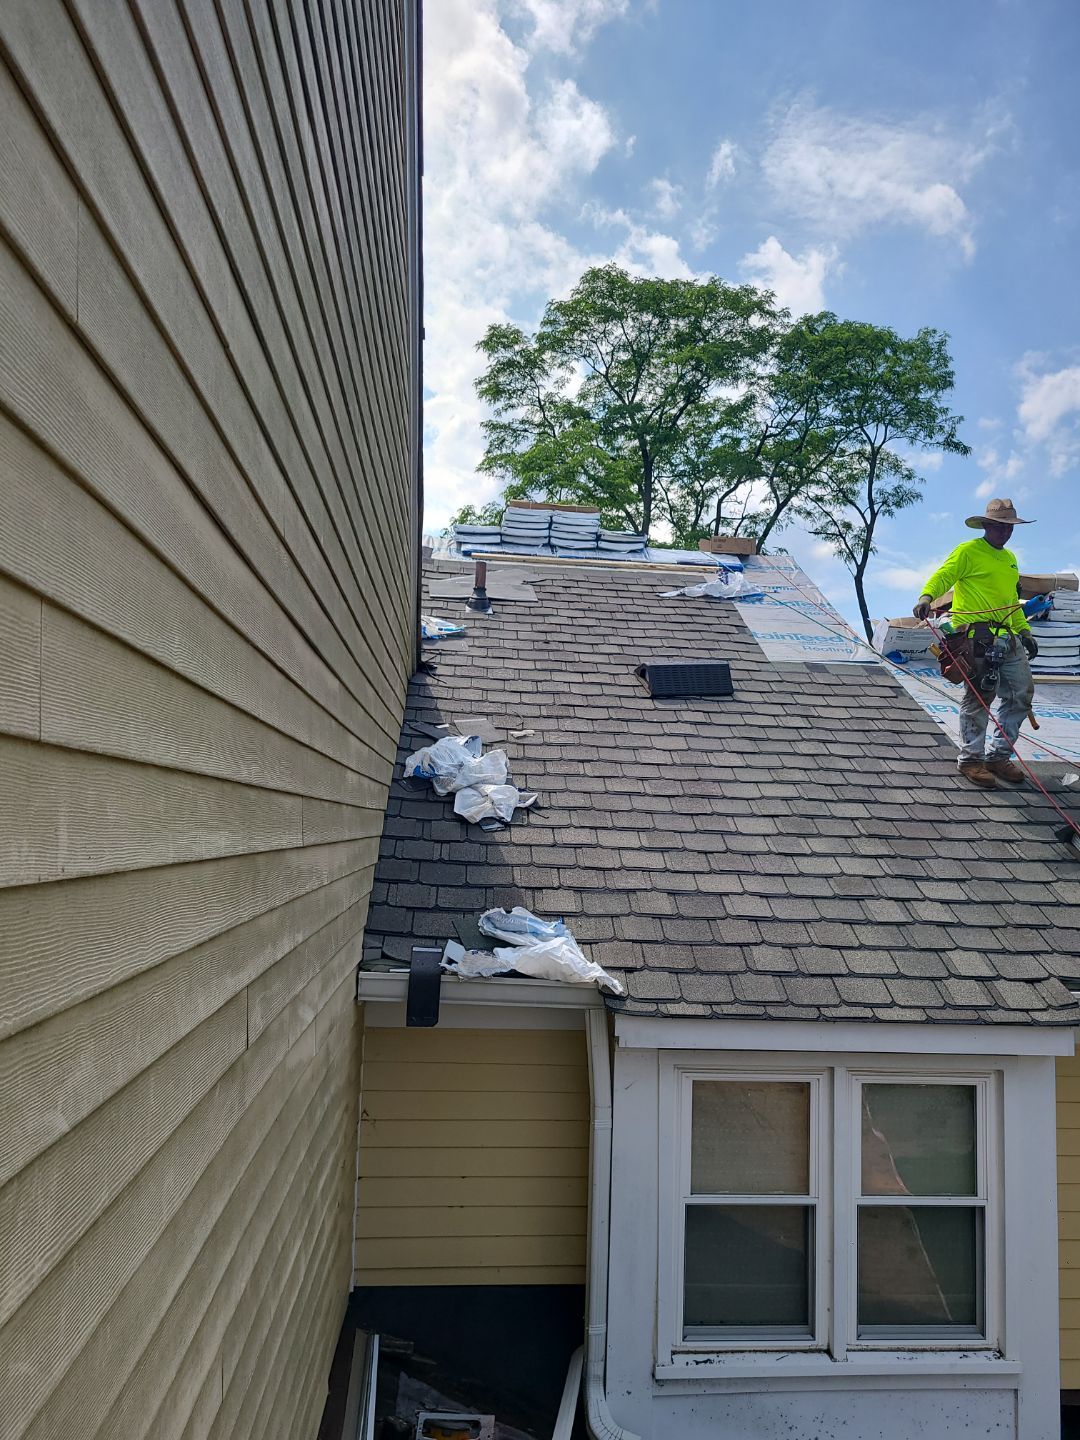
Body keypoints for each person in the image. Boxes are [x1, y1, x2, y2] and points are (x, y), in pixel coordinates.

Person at [913, 498, 1038, 789]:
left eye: (1009, 528)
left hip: (1007, 636)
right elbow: (946, 574)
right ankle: (971, 759)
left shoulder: (1009, 559)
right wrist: (926, 597)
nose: (1005, 533)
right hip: (978, 637)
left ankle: (998, 757)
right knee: (980, 698)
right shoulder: (969, 551)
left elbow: (1010, 602)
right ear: (986, 525)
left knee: (1021, 694)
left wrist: (1025, 631)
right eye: (999, 526)